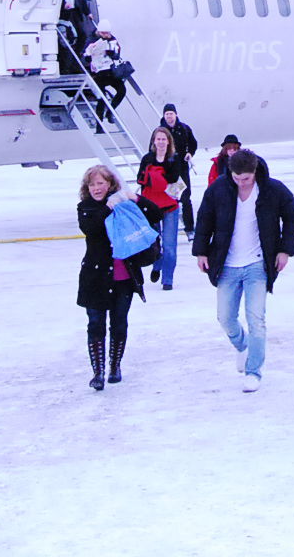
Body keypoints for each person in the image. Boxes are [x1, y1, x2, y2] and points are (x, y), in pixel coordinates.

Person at [193, 149, 294, 393]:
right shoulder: (218, 190)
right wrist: (201, 252)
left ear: (255, 172)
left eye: (246, 179)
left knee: (256, 319)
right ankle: (243, 346)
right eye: (237, 178)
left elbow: (293, 216)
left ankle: (254, 371)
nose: (241, 183)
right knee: (225, 318)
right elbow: (204, 220)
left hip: (257, 265)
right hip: (228, 265)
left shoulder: (273, 189)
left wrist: (285, 250)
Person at [76, 164, 146, 391]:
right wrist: (109, 205)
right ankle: (98, 372)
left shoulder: (122, 205)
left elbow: (153, 213)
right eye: (92, 184)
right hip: (95, 276)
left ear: (110, 185)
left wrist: (133, 197)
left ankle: (115, 365)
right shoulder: (86, 208)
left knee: (119, 323)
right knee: (95, 323)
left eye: (101, 183)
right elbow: (92, 227)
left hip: (123, 275)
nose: (96, 188)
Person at [137, 126, 190, 289]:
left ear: (168, 141)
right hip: (151, 206)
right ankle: (157, 265)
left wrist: (155, 175)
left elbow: (174, 178)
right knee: (154, 242)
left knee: (170, 245)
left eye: (163, 139)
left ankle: (168, 279)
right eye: (158, 139)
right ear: (153, 141)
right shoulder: (147, 159)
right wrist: (156, 177)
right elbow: (140, 179)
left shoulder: (174, 158)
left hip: (169, 206)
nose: (160, 142)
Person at [163, 105, 199, 238]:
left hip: (182, 170)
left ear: (176, 114)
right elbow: (153, 148)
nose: (169, 116)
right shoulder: (161, 131)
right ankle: (170, 230)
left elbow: (193, 143)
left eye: (171, 113)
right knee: (171, 199)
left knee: (186, 198)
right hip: (169, 171)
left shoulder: (184, 128)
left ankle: (190, 229)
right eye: (167, 114)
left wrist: (190, 153)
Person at [85, 28, 127, 109]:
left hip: (110, 72)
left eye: (107, 33)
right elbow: (85, 55)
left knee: (122, 91)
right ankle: (99, 119)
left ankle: (111, 110)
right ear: (98, 32)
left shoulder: (112, 40)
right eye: (103, 33)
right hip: (98, 73)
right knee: (101, 97)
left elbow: (117, 55)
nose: (105, 35)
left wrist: (112, 53)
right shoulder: (91, 40)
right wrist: (89, 56)